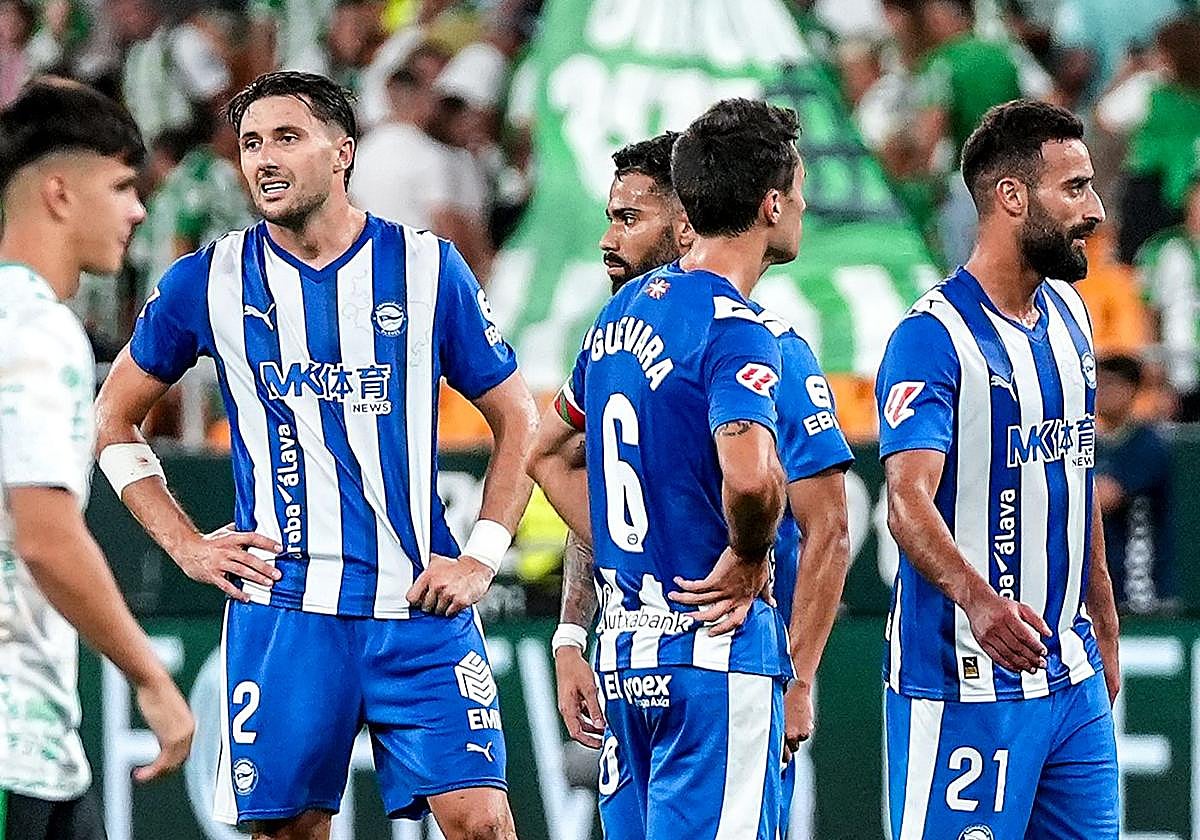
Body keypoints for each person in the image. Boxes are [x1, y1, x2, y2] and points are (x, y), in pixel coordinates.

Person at [93, 71, 538, 840]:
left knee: (483, 825)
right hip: (286, 615)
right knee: (290, 833)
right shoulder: (209, 280)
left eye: (287, 139)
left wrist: (482, 556)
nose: (264, 159)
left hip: (418, 606)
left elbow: (517, 417)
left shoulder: (426, 268)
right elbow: (113, 422)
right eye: (252, 143)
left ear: (342, 153)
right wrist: (186, 546)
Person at [542, 130, 853, 838]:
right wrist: (574, 627)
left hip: (638, 662)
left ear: (687, 221)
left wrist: (800, 676)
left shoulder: (618, 330)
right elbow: (738, 492)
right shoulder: (731, 335)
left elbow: (828, 527)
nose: (608, 239)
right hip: (715, 656)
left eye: (630, 217)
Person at [876, 99, 1121, 838]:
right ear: (1011, 197)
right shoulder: (932, 337)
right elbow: (906, 500)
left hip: (1069, 677)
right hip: (962, 683)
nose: (1097, 210)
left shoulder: (1072, 317)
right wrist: (979, 601)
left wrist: (1102, 612)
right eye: (1074, 188)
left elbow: (1075, 477)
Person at [0, 78, 193, 839]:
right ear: (57, 193)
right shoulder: (37, 334)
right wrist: (151, 678)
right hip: (14, 743)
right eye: (119, 186)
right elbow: (45, 536)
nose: (138, 210)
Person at [1094, 354, 1176, 614]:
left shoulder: (1147, 443)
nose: (1102, 392)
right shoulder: (1089, 440)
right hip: (1099, 583)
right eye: (1099, 384)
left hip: (1141, 585)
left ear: (1132, 390)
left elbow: (1106, 497)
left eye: (1111, 384)